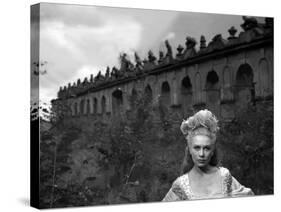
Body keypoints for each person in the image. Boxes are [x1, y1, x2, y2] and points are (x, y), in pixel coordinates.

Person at [162, 109, 254, 201]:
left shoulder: (224, 177)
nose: (201, 154)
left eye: (206, 148)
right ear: (189, 149)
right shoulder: (181, 185)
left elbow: (251, 200)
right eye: (197, 148)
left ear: (213, 151)